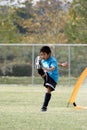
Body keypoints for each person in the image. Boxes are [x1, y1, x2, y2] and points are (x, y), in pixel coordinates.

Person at [35, 46, 68, 112]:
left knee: (48, 90)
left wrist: (47, 69)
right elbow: (56, 64)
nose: (42, 56)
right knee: (39, 70)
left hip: (53, 78)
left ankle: (44, 107)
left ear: (49, 54)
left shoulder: (53, 60)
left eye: (44, 54)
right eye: (41, 54)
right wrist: (61, 64)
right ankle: (40, 70)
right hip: (47, 75)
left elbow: (53, 67)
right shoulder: (43, 60)